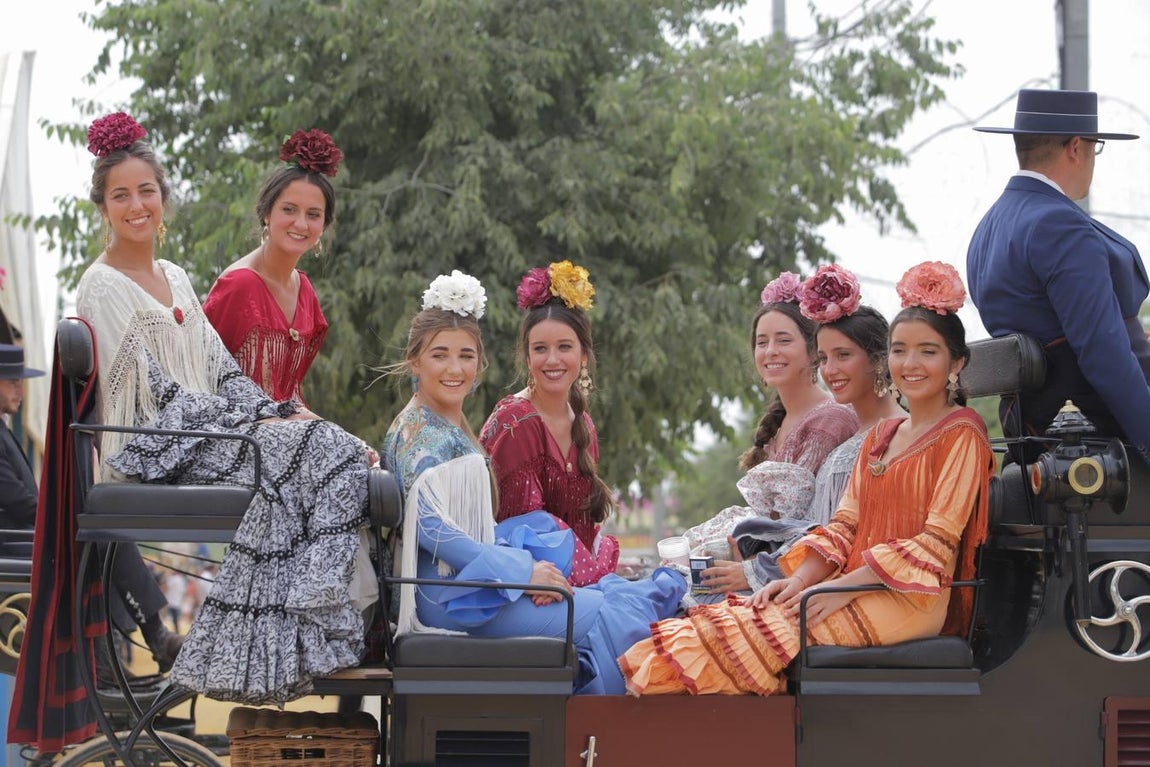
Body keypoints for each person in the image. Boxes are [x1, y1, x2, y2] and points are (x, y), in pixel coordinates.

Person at [48, 113, 372, 710]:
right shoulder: (101, 284)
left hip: (202, 434)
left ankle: (311, 616)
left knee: (340, 448)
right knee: (309, 449)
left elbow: (222, 369)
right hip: (150, 443)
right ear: (104, 207)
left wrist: (277, 413)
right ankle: (275, 629)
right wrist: (254, 426)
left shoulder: (173, 275)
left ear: (163, 199)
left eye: (147, 191)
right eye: (121, 195)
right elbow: (155, 393)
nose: (137, 205)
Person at [620, 262, 994, 696]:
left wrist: (836, 588)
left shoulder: (962, 432)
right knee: (729, 618)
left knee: (744, 636)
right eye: (899, 350)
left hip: (911, 600)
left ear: (956, 362)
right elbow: (842, 528)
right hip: (848, 587)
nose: (910, 364)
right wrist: (797, 582)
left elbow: (934, 544)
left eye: (927, 351)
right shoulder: (882, 435)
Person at [381, 271, 686, 695]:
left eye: (466, 355)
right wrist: (523, 570)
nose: (455, 368)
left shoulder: (447, 423)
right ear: (415, 361)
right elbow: (432, 529)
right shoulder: (419, 431)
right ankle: (600, 741)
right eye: (440, 355)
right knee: (603, 613)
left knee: (614, 600)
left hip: (473, 579)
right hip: (443, 594)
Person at [966, 88, 1147, 462]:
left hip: (1034, 424)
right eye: (1096, 148)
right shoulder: (1059, 223)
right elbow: (1103, 354)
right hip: (1095, 429)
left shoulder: (988, 227)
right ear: (1076, 148)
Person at [704, 266, 907, 594]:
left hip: (839, 587)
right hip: (806, 575)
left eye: (843, 356)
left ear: (878, 360)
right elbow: (822, 531)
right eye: (826, 358)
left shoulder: (884, 433)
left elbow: (849, 538)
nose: (830, 369)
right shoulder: (851, 441)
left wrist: (760, 572)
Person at [1, 342, 182, 670]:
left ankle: (115, 655)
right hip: (17, 546)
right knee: (104, 535)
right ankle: (143, 642)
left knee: (104, 537)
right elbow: (18, 504)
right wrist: (72, 515)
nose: (20, 390)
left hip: (24, 539)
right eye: (12, 381)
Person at [681, 271, 858, 550]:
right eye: (762, 342)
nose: (771, 351)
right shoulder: (781, 422)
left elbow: (801, 523)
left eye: (784, 340)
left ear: (814, 351)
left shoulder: (831, 419)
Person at [480, 261, 619, 586]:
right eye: (540, 349)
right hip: (527, 587)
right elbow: (513, 537)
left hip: (576, 584)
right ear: (527, 358)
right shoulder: (516, 422)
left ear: (584, 355)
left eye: (564, 347)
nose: (552, 360)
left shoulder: (583, 423)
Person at [203, 128, 338, 408]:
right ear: (267, 213)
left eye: (313, 215)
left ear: (323, 226)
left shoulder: (304, 291)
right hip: (234, 432)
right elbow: (202, 379)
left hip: (286, 427)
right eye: (289, 210)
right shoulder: (239, 285)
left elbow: (291, 394)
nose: (301, 224)